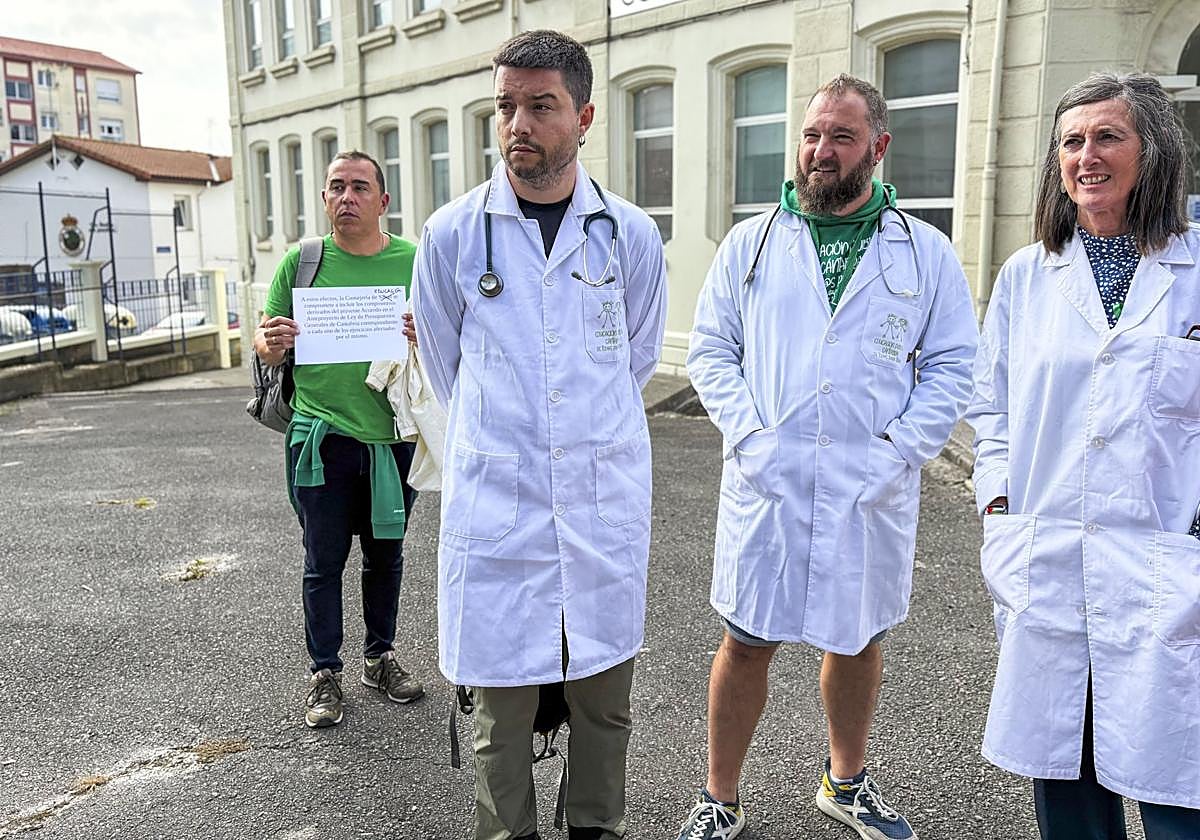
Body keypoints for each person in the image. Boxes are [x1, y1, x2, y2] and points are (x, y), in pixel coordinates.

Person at [681, 74, 978, 840]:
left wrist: (899, 451)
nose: (821, 150)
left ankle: (845, 782)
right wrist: (751, 437)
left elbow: (952, 366)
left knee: (858, 638)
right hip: (769, 480)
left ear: (878, 147)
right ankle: (719, 796)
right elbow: (711, 351)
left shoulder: (925, 253)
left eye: (842, 137)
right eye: (812, 135)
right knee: (746, 640)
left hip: (868, 485)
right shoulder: (750, 244)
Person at [410, 30, 667, 840]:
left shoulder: (630, 235)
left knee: (605, 710)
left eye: (541, 106)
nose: (518, 124)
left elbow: (634, 360)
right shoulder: (452, 234)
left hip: (598, 506)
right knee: (499, 720)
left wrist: (573, 431)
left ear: (583, 117)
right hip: (500, 511)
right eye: (506, 106)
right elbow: (448, 373)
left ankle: (596, 828)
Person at [966, 72, 1200, 839]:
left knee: (1178, 792)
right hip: (1049, 557)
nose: (1086, 156)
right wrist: (1000, 507)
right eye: (1071, 141)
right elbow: (992, 408)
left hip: (1169, 563)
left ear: (1152, 150)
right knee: (1067, 782)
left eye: (1107, 137)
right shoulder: (1028, 276)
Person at [255, 150, 424, 729]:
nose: (347, 197)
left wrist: (424, 333)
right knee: (322, 561)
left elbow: (453, 337)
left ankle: (379, 657)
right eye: (336, 187)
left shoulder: (415, 261)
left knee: (386, 556)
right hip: (321, 438)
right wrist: (272, 342)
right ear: (325, 198)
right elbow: (264, 344)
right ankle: (324, 672)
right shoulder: (302, 261)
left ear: (383, 201)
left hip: (393, 438)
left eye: (359, 187)